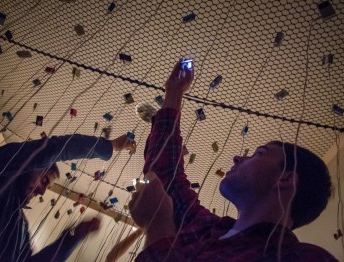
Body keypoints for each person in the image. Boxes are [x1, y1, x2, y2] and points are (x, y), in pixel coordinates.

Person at [129, 61, 337, 261]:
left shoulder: (302, 258)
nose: (238, 157)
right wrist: (174, 92)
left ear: (285, 179)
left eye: (260, 153)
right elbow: (166, 176)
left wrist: (158, 228)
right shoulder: (204, 228)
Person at [0, 133, 136, 261]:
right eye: (44, 180)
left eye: (47, 187)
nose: (42, 192)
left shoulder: (21, 227)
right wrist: (110, 146)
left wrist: (74, 238)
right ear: (30, 166)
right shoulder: (0, 171)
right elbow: (49, 150)